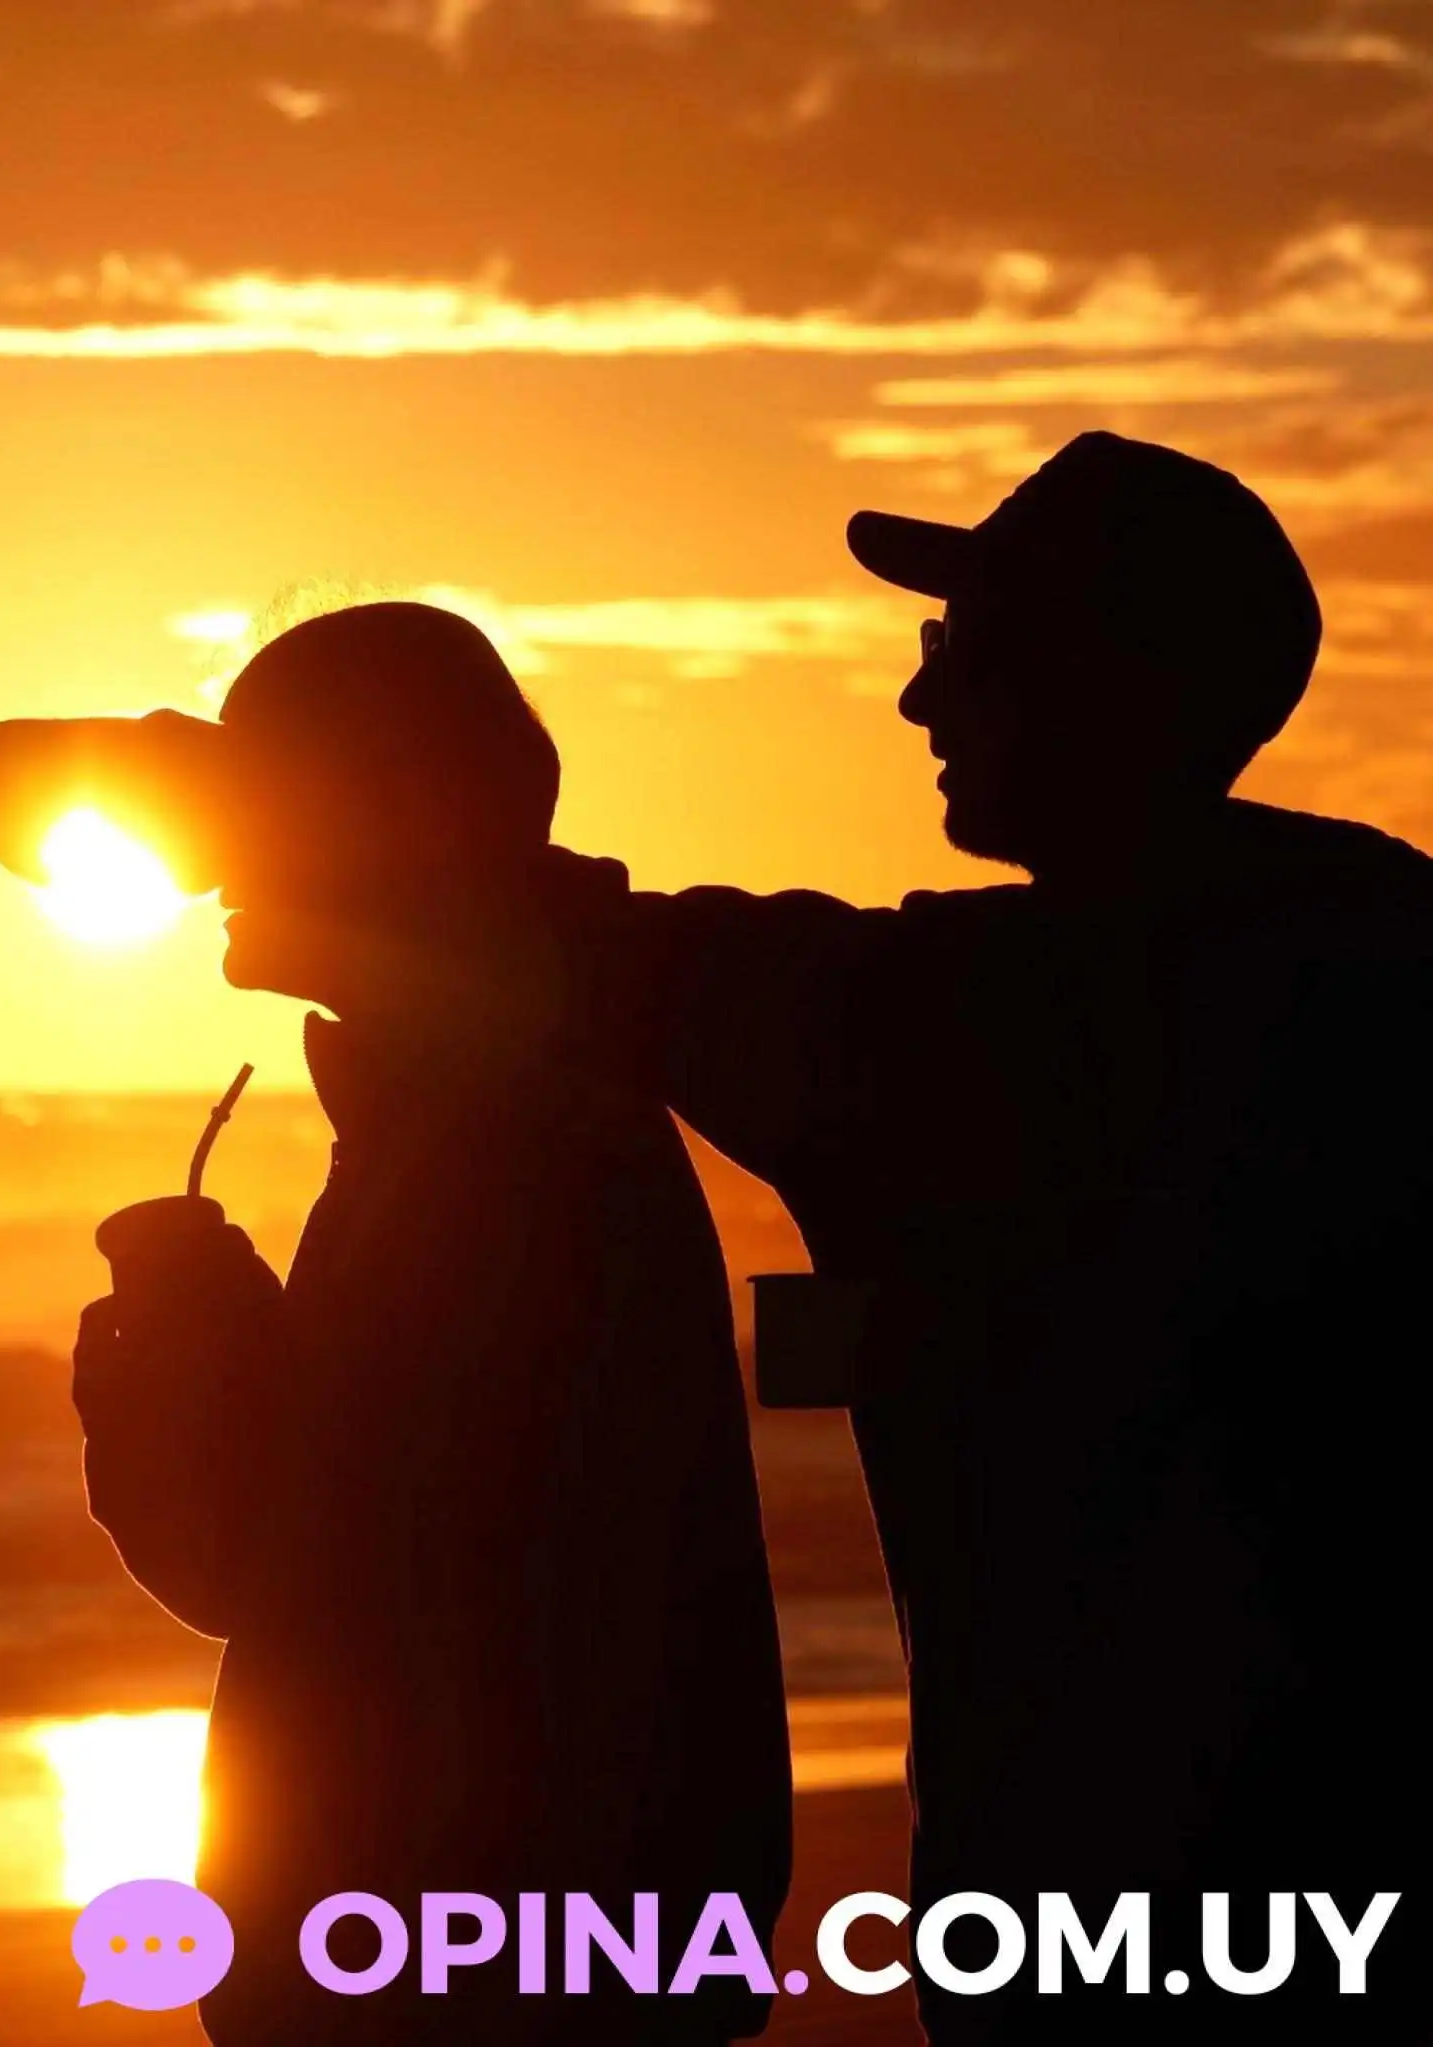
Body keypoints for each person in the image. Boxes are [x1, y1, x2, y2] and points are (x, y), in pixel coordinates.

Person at [522, 433, 1433, 2042]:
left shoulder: (950, 1026)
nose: (916, 698)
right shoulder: (1384, 951)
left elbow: (557, 951)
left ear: (1098, 682)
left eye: (963, 646)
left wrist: (277, 800)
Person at [66, 606, 789, 2043]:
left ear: (401, 813)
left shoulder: (504, 1139)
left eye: (255, 794)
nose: (207, 856)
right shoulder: (489, 1101)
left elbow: (264, 1562)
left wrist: (180, 1333)